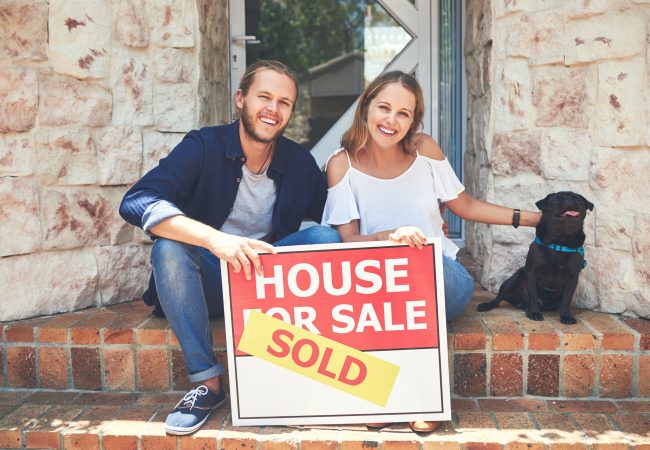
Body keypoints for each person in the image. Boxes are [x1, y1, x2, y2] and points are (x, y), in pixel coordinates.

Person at [119, 60, 341, 436]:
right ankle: (207, 384)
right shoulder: (203, 145)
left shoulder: (299, 163)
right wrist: (214, 239)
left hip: (260, 286)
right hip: (207, 282)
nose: (273, 109)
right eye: (264, 97)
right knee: (169, 249)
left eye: (284, 102)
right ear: (241, 99)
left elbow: (337, 221)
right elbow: (137, 200)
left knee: (325, 239)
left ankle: (288, 376)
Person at [322, 71, 541, 433]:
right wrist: (388, 237)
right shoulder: (341, 163)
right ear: (367, 108)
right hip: (379, 288)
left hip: (442, 276)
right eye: (384, 108)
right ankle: (396, 396)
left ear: (413, 121)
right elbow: (347, 242)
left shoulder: (425, 150)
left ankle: (419, 397)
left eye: (403, 114)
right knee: (390, 290)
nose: (391, 120)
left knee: (415, 275)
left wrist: (535, 220)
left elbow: (465, 205)